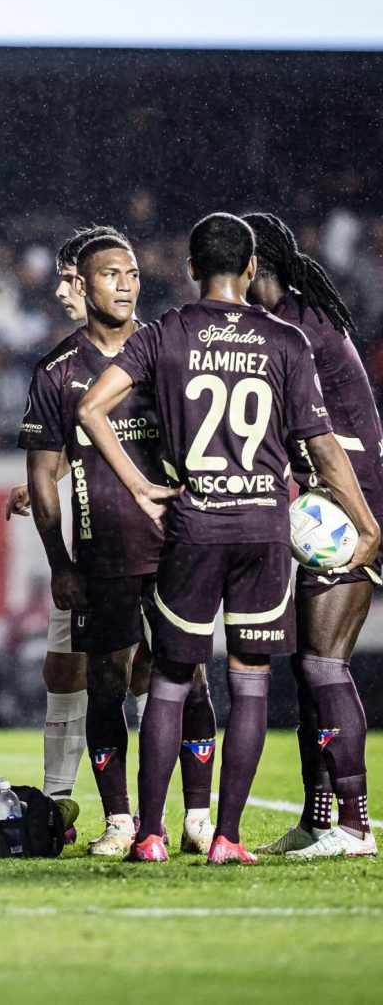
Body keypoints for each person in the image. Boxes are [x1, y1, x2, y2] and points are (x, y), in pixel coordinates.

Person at [78, 212, 379, 864]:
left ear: (188, 268)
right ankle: (230, 837)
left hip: (195, 519)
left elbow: (91, 407)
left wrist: (136, 484)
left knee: (171, 679)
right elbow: (324, 446)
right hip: (262, 525)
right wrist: (367, 519)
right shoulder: (285, 339)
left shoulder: (166, 333)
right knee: (252, 679)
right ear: (249, 269)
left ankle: (153, 834)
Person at [21, 233, 216, 856]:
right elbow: (40, 479)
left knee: (189, 676)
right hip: (102, 554)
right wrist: (59, 563)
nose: (126, 283)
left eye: (132, 272)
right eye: (110, 274)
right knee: (106, 683)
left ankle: (199, 815)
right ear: (83, 283)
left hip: (178, 543)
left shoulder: (169, 350)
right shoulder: (56, 371)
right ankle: (121, 819)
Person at [246, 212, 380, 858]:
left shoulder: (295, 329)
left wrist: (366, 523)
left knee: (324, 663)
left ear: (254, 265)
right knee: (309, 670)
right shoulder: (294, 319)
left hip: (350, 507)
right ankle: (318, 819)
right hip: (334, 502)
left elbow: (326, 442)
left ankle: (353, 825)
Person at [7, 226, 129, 823]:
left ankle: (178, 810)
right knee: (66, 665)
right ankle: (58, 797)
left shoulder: (154, 352)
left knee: (147, 672)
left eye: (68, 278)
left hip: (151, 541)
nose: (59, 291)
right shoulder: (59, 366)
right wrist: (41, 481)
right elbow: (57, 453)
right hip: (84, 545)